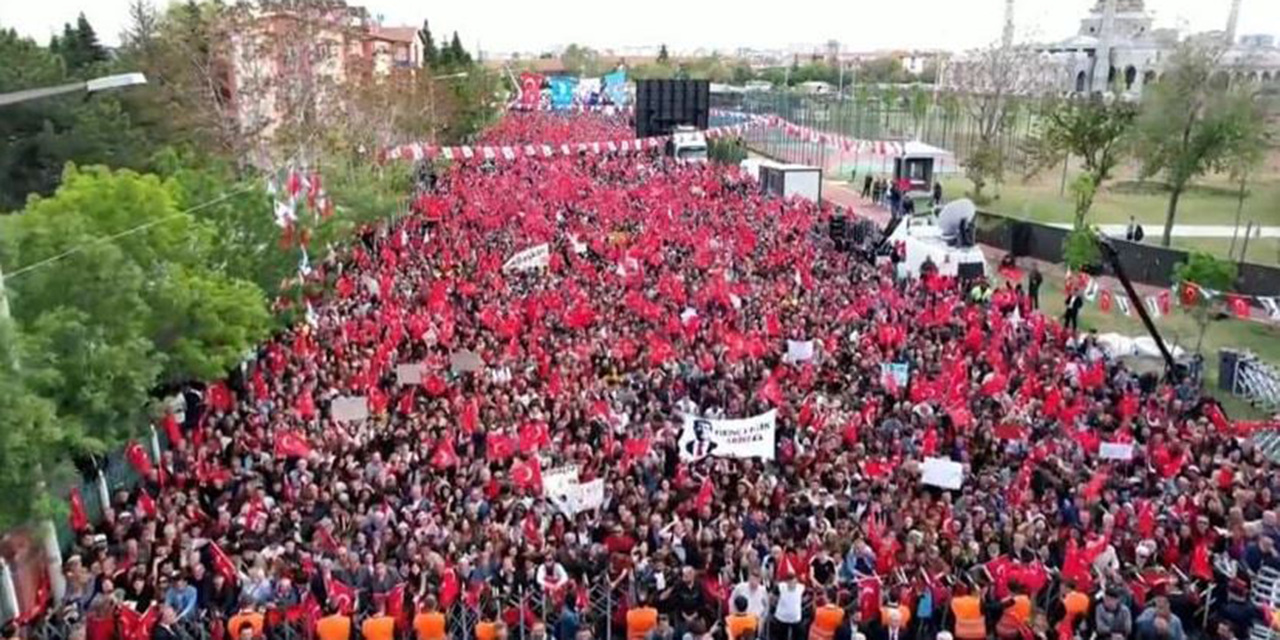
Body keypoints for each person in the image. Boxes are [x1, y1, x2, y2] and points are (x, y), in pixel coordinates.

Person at [773, 572, 805, 640]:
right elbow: (772, 597)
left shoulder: (801, 588)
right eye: (789, 582)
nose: (791, 584)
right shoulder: (780, 587)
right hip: (781, 618)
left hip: (795, 619)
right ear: (786, 582)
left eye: (793, 581)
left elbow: (805, 598)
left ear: (796, 580)